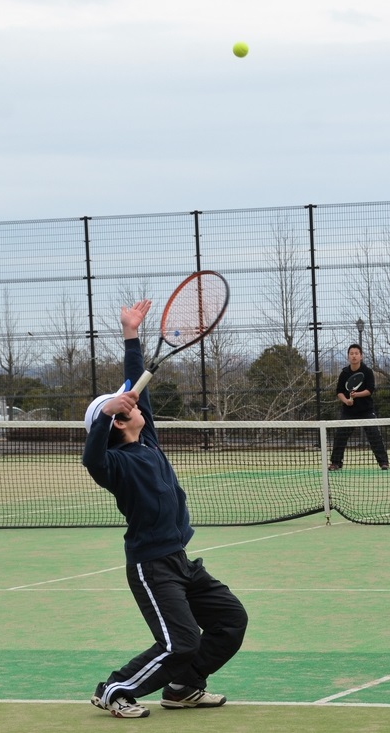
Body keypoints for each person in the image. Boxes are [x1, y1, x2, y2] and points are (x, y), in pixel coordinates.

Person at [82, 299, 248, 719]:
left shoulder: (149, 440)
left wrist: (131, 334)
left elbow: (138, 384)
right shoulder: (113, 465)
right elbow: (91, 457)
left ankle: (181, 686)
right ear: (117, 424)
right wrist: (105, 412)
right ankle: (116, 689)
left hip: (180, 561)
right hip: (151, 565)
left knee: (231, 620)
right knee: (180, 641)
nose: (134, 406)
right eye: (126, 408)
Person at [328, 343, 389, 471]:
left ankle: (384, 462)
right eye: (351, 354)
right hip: (349, 411)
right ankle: (335, 463)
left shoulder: (367, 371)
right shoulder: (344, 373)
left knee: (374, 435)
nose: (354, 356)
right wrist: (346, 401)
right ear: (348, 357)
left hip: (366, 410)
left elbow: (370, 390)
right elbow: (339, 391)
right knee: (340, 435)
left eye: (356, 353)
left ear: (361, 356)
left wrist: (357, 395)